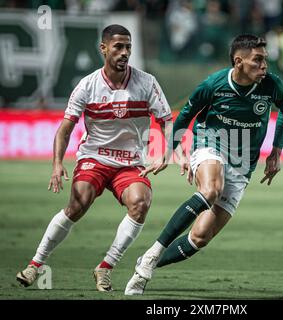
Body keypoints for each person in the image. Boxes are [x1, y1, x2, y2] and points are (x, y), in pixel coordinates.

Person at [124, 34, 283, 295]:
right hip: (210, 143)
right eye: (257, 60)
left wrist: (276, 151)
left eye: (265, 60)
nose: (264, 67)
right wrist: (166, 152)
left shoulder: (272, 85)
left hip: (243, 163)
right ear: (238, 61)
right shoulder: (213, 85)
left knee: (200, 237)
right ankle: (152, 253)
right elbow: (184, 118)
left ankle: (149, 264)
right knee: (211, 189)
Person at [16, 24, 174, 292]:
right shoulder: (87, 86)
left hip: (130, 162)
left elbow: (168, 122)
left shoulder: (146, 82)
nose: (125, 53)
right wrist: (57, 164)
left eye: (128, 47)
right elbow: (65, 128)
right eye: (118, 47)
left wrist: (166, 154)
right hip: (95, 157)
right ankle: (36, 264)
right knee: (79, 202)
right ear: (103, 49)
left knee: (140, 202)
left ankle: (105, 267)